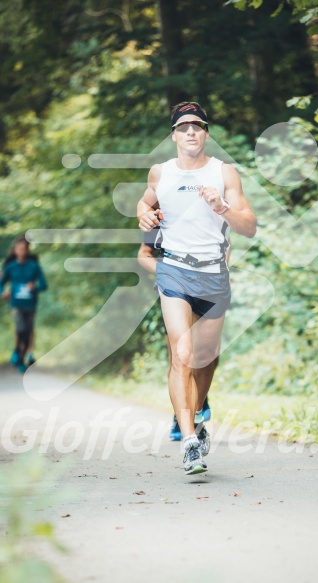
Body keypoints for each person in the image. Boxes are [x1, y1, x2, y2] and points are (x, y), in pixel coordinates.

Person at [137, 101, 256, 475]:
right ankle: (190, 441)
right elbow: (147, 200)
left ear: (205, 134)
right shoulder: (161, 172)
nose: (191, 132)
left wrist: (222, 207)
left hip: (214, 273)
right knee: (182, 352)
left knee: (205, 356)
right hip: (174, 270)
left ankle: (197, 412)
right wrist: (143, 209)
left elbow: (249, 226)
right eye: (183, 127)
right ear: (173, 134)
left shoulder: (225, 173)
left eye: (198, 126)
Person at [138, 223, 230, 440]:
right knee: (180, 355)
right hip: (175, 287)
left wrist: (217, 271)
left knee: (208, 354)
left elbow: (226, 245)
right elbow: (143, 254)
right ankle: (181, 420)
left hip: (210, 284)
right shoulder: (161, 214)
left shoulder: (209, 207)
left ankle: (199, 402)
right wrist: (167, 271)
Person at [0, 236, 48, 373]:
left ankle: (27, 353)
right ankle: (17, 352)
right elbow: (2, 279)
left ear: (27, 249)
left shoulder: (34, 262)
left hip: (30, 303)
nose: (22, 250)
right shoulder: (10, 263)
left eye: (25, 248)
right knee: (20, 329)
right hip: (16, 303)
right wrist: (3, 291)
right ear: (15, 249)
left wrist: (35, 287)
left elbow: (43, 284)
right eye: (19, 248)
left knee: (28, 330)